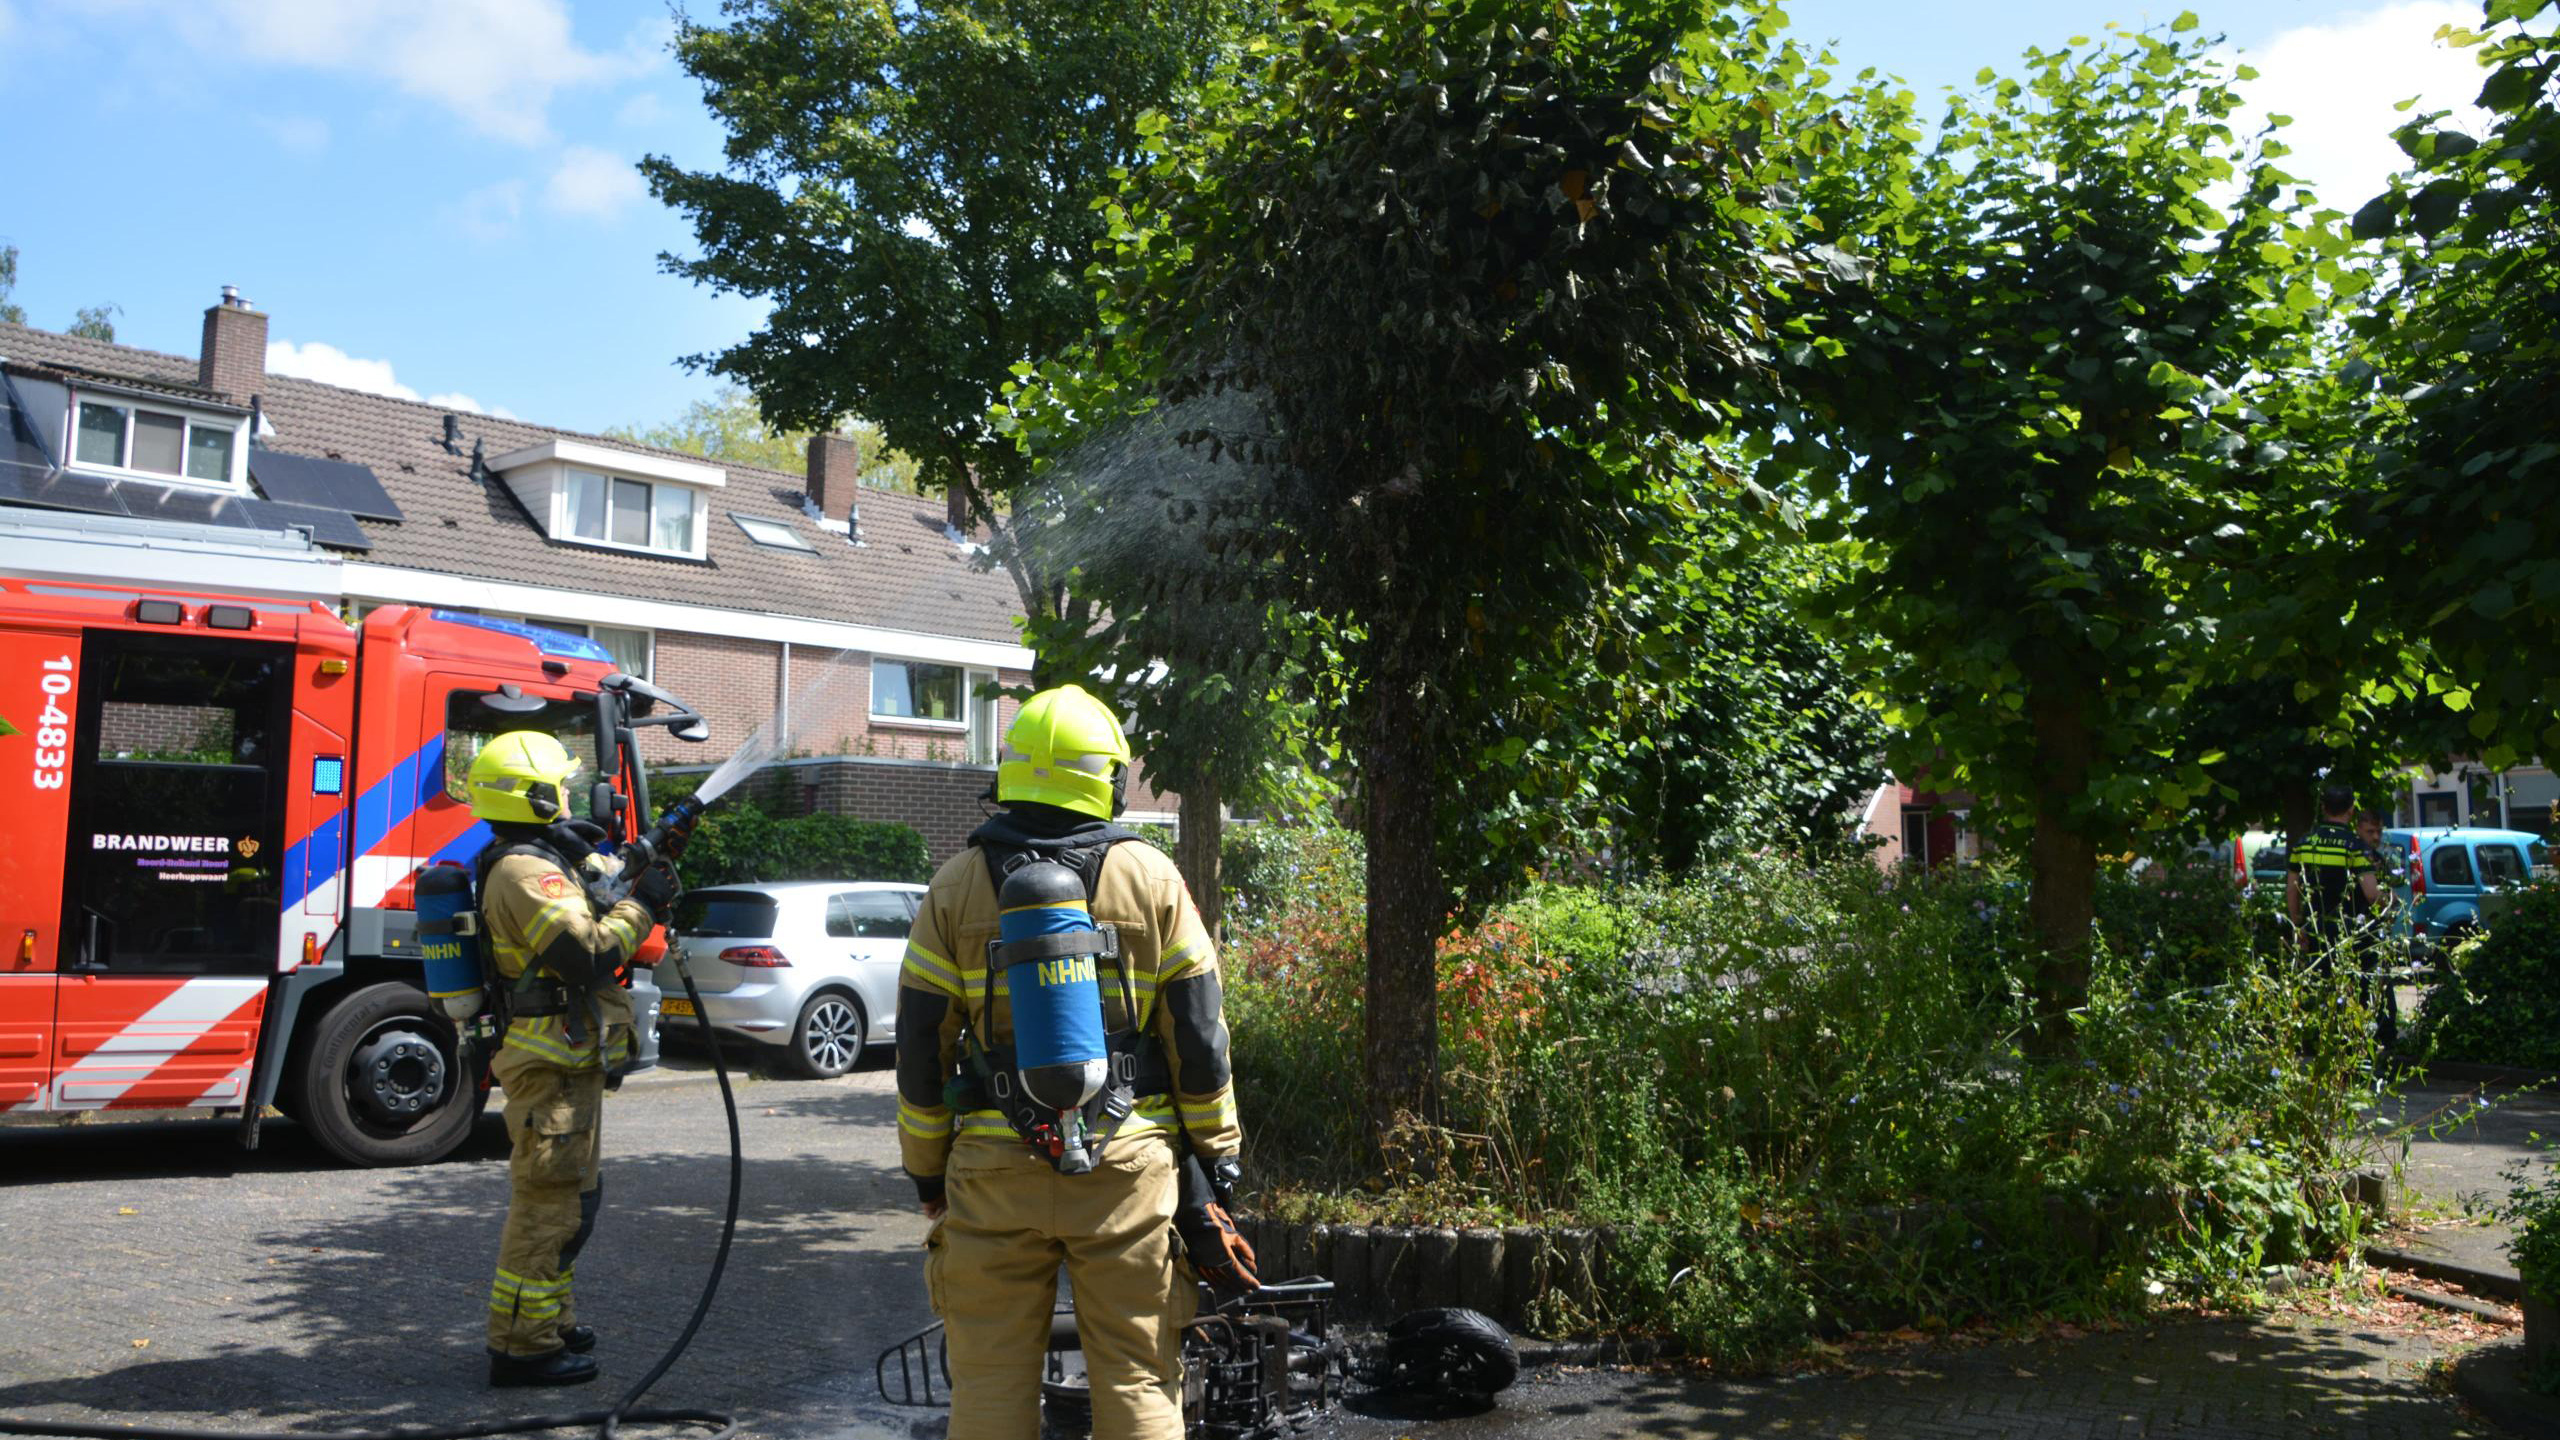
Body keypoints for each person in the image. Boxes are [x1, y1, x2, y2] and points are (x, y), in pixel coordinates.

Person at [894, 685, 1252, 1440]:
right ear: (1111, 779)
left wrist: (927, 1170)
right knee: (1139, 1379)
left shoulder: (955, 886)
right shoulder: (1151, 878)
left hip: (992, 1175)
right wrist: (1218, 1160)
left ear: (1011, 769)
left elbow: (921, 1048)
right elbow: (1198, 1032)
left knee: (989, 1388)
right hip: (1127, 1168)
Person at [466, 731, 679, 1389]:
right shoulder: (523, 872)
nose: (566, 793)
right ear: (534, 793)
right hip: (547, 1065)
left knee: (577, 1201)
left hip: (568, 1059)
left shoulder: (532, 858)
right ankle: (522, 1347)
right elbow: (585, 953)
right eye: (558, 784)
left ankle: (551, 1321)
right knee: (549, 1205)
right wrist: (646, 906)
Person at [2286, 782, 2382, 969]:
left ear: (2323, 808)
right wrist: (2390, 901)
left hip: (2314, 928)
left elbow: (2292, 889)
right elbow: (2372, 894)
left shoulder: (2303, 843)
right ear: (2351, 810)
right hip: (2351, 932)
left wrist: (2298, 925)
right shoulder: (2356, 847)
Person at [2354, 807, 2402, 1049]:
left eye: (2379, 831)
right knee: (2373, 987)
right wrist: (2391, 898)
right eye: (2370, 831)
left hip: (2375, 933)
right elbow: (2375, 895)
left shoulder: (2376, 857)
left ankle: (2384, 1033)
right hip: (2365, 934)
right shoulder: (2360, 855)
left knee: (2380, 986)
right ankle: (2383, 1036)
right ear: (2358, 829)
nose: (2376, 836)